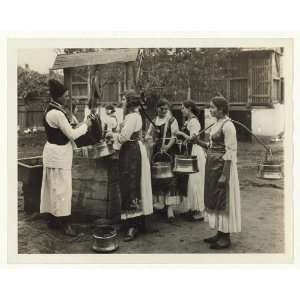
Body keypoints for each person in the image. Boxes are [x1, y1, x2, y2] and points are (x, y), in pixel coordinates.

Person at [40, 79, 93, 236]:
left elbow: (65, 131)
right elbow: (71, 134)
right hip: (59, 155)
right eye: (66, 96)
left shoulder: (51, 110)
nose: (68, 98)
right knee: (62, 190)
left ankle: (52, 220)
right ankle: (65, 224)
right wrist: (86, 125)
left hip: (52, 153)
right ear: (58, 97)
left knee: (52, 188)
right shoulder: (56, 113)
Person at [111, 90, 153, 241]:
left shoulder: (132, 117)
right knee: (129, 185)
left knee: (131, 185)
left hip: (132, 152)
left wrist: (113, 136)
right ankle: (131, 222)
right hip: (131, 150)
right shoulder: (132, 116)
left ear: (129, 102)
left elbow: (123, 137)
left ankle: (133, 226)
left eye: (123, 99)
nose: (121, 102)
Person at [202, 96, 241, 249]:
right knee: (215, 199)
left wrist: (225, 174)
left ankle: (226, 237)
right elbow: (211, 146)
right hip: (213, 167)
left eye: (212, 107)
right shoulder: (216, 123)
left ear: (221, 109)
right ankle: (219, 232)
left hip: (224, 167)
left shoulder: (228, 126)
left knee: (223, 199)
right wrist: (196, 141)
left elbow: (231, 151)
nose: (210, 110)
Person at [145, 98, 180, 222]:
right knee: (158, 178)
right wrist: (152, 140)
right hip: (156, 151)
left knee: (169, 179)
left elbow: (175, 136)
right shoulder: (153, 121)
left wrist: (167, 147)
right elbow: (148, 136)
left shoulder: (172, 120)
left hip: (168, 151)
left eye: (166, 109)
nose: (164, 111)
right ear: (157, 108)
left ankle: (170, 209)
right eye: (161, 108)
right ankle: (160, 204)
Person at [176, 100, 206, 221]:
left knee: (195, 180)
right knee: (189, 180)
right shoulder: (189, 121)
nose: (181, 110)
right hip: (189, 150)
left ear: (189, 109)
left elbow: (194, 139)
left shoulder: (194, 121)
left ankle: (198, 211)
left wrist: (181, 134)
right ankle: (191, 208)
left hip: (195, 151)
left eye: (183, 108)